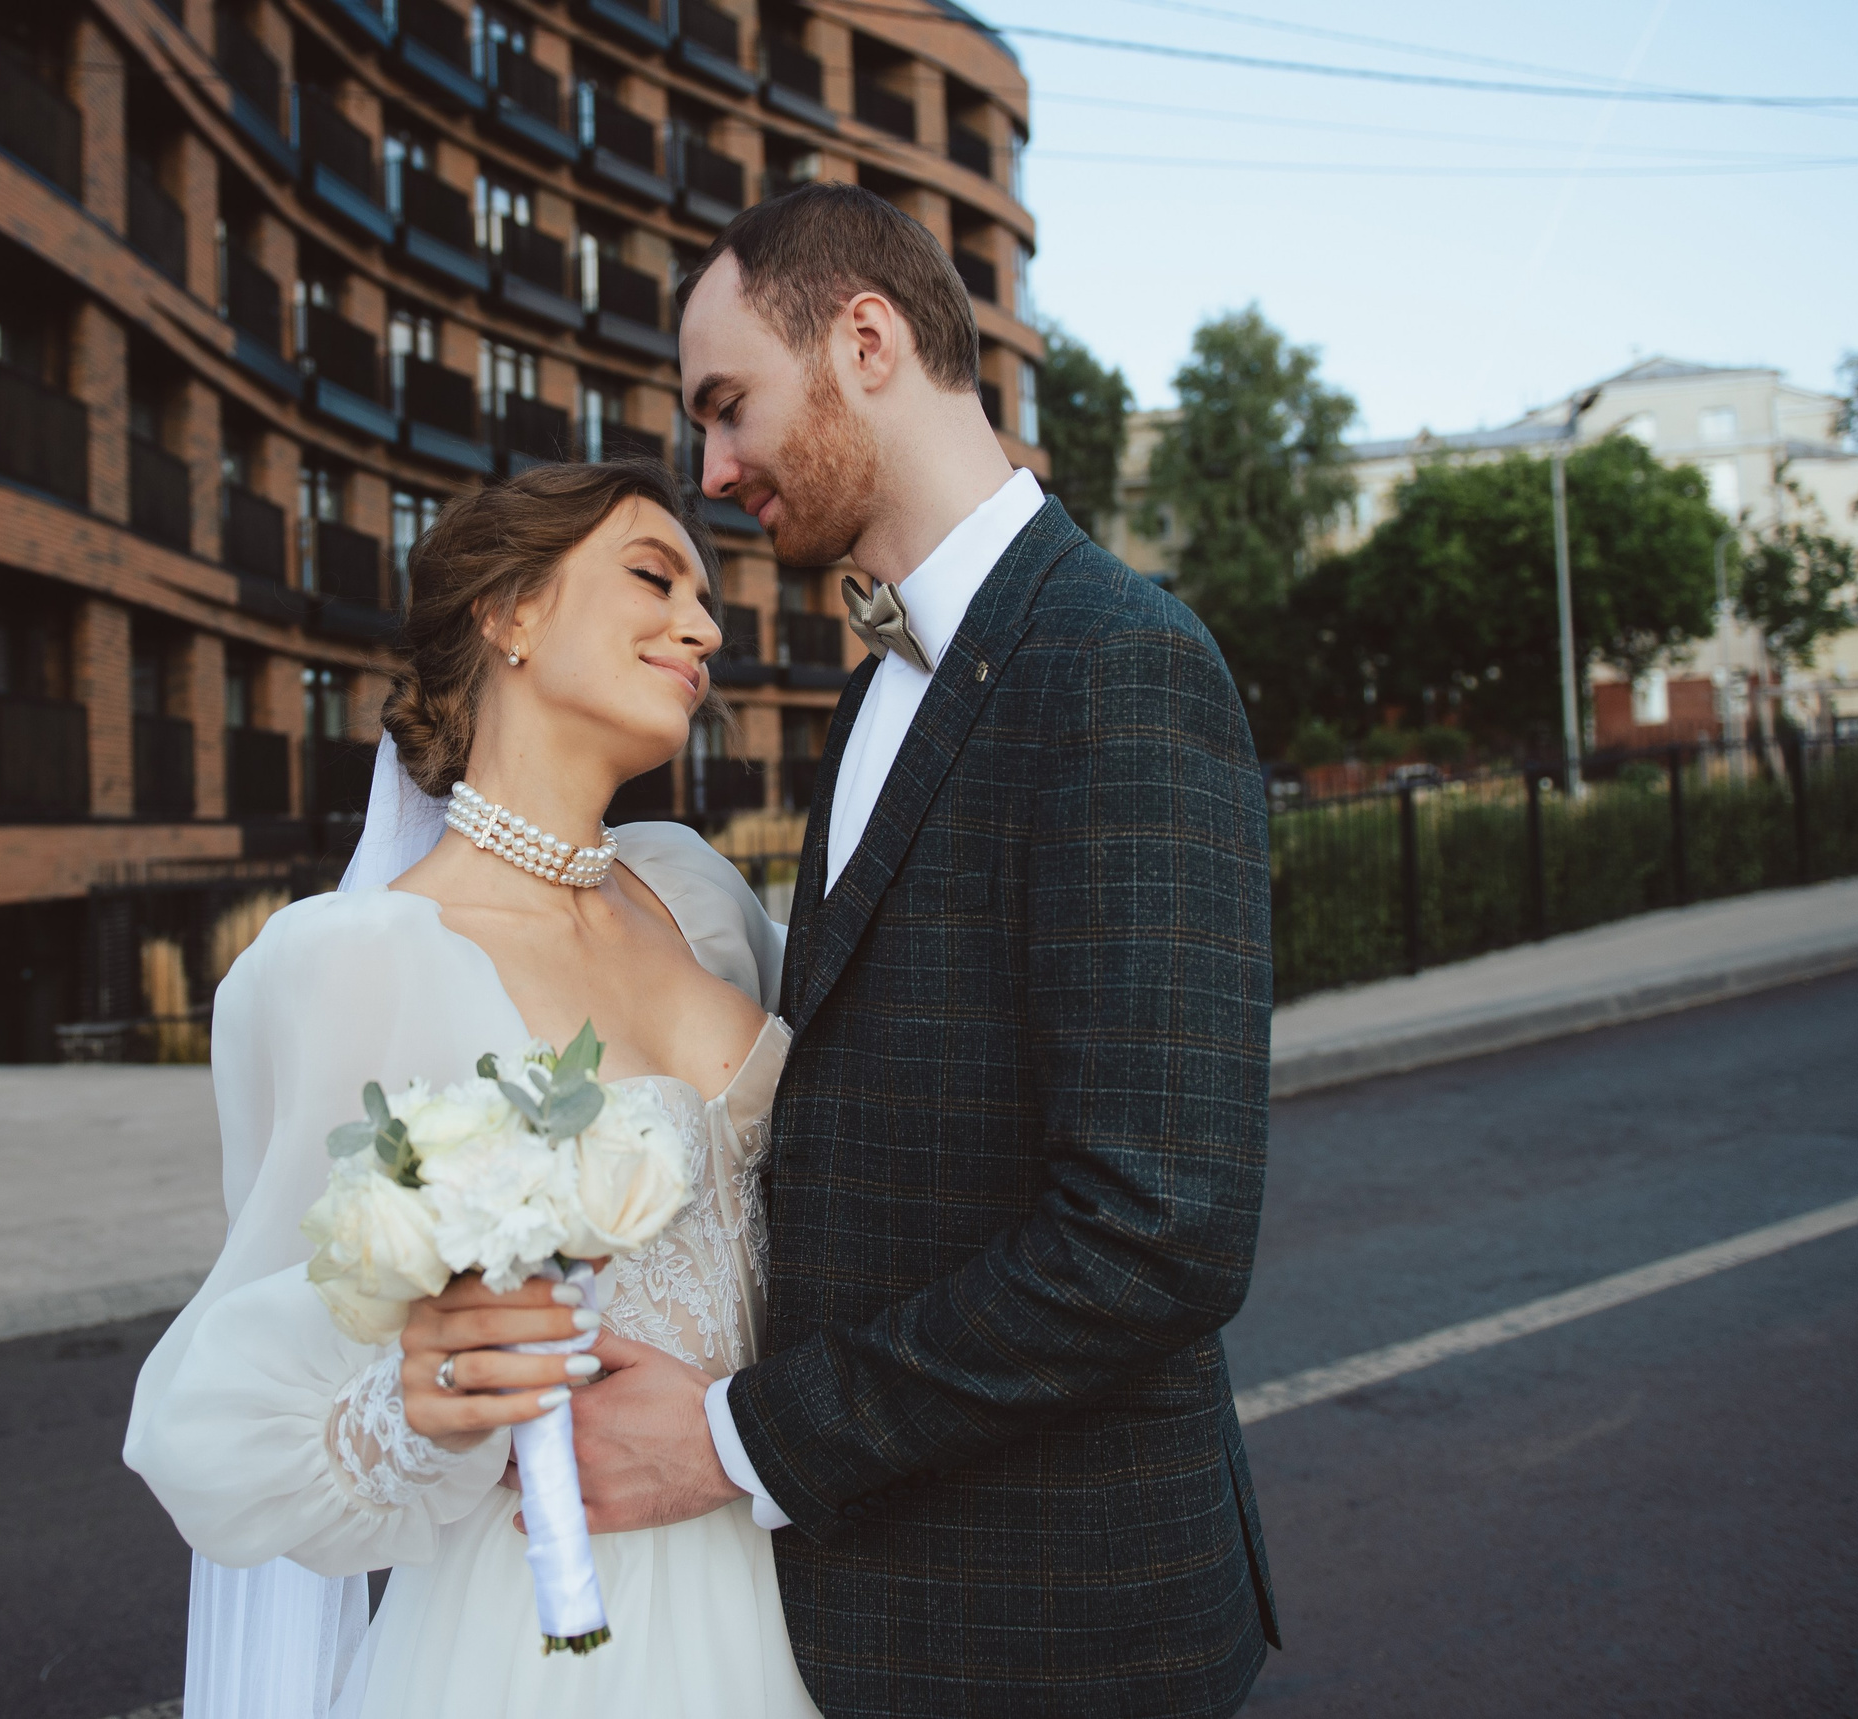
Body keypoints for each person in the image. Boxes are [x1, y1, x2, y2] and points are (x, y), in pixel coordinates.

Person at [557, 183, 1282, 1717]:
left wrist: (742, 1438)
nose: (714, 468)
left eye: (729, 404)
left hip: (1064, 1632)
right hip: (879, 1615)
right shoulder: (876, 686)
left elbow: (1156, 1228)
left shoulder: (1123, 665)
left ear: (867, 340)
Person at [124, 456, 820, 1718]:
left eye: (706, 596)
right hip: (563, 1633)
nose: (705, 626)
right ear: (510, 613)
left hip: (801, 1565)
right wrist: (418, 1402)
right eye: (654, 577)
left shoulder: (696, 894)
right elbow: (215, 1413)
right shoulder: (355, 961)